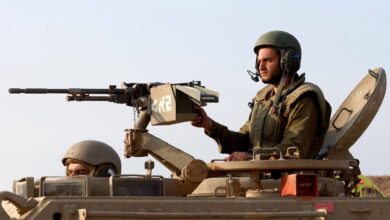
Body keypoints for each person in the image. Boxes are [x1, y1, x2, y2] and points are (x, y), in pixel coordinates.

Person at [192, 30, 331, 161]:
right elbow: (245, 140)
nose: (261, 67)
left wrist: (251, 157)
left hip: (287, 179)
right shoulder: (263, 98)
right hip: (258, 175)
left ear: (287, 61)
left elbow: (293, 149)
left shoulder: (304, 98)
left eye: (268, 60)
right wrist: (209, 124)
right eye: (259, 62)